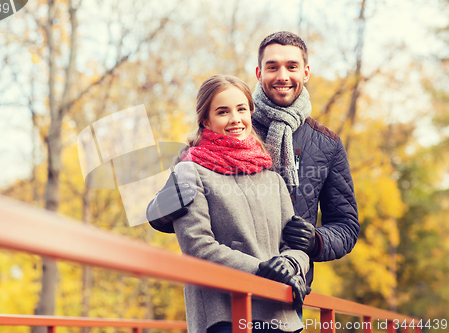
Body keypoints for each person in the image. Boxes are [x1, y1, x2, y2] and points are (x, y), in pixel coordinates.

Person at [147, 31, 360, 316]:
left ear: (306, 72)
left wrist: (315, 242)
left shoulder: (327, 144)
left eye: (292, 66)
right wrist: (160, 208)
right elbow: (180, 211)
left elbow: (346, 225)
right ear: (259, 73)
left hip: (287, 291)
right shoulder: (231, 125)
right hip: (223, 298)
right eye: (273, 67)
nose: (282, 75)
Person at [169, 74, 310, 333]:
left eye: (241, 109)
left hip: (282, 317)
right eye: (223, 112)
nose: (235, 119)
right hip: (226, 317)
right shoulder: (189, 172)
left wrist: (290, 264)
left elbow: (295, 245)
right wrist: (264, 270)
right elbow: (198, 246)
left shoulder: (272, 177)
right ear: (205, 120)